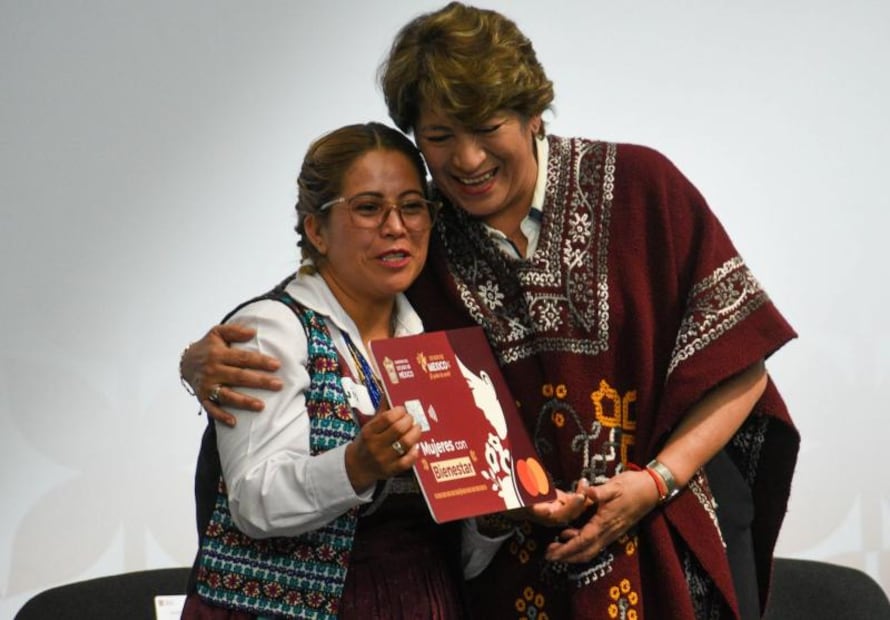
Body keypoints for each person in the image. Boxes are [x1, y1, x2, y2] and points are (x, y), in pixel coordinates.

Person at [180, 4, 799, 619]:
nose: (468, 160)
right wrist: (200, 358)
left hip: (670, 524)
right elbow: (324, 300)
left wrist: (656, 480)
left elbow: (742, 363)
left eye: (487, 127)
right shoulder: (423, 238)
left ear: (533, 114)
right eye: (441, 137)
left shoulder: (641, 188)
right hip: (520, 571)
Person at [181, 121, 492, 619]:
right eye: (368, 208)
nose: (396, 226)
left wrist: (496, 518)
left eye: (412, 206)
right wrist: (355, 465)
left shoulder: (430, 341)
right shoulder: (272, 329)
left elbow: (458, 540)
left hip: (423, 598)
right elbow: (253, 501)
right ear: (316, 230)